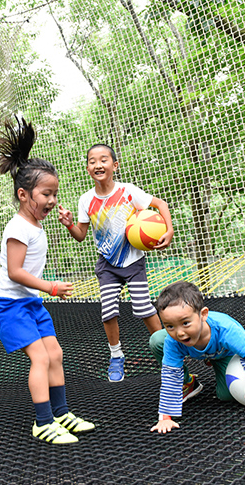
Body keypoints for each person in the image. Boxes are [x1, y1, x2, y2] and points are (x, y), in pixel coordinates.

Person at [0, 116, 95, 444]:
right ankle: (43, 421)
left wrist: (67, 224)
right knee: (41, 357)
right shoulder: (18, 227)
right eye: (45, 194)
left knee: (56, 354)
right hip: (9, 306)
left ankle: (62, 413)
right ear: (23, 194)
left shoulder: (35, 224)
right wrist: (50, 287)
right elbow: (15, 272)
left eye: (54, 194)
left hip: (30, 303)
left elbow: (74, 238)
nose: (51, 200)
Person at [58, 144, 173, 382]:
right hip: (107, 264)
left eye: (103, 160)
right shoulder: (86, 200)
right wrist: (69, 224)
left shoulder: (128, 191)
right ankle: (116, 355)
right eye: (92, 161)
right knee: (108, 310)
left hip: (133, 261)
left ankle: (168, 353)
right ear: (87, 167)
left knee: (143, 307)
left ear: (114, 165)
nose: (97, 165)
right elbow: (80, 235)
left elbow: (160, 204)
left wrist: (169, 230)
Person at [149, 281, 245, 434]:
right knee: (157, 340)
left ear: (203, 315)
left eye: (186, 323)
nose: (179, 333)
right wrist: (165, 418)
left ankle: (212, 359)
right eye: (170, 326)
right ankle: (189, 383)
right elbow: (170, 376)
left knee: (226, 395)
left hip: (225, 354)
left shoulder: (226, 330)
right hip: (199, 349)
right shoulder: (174, 340)